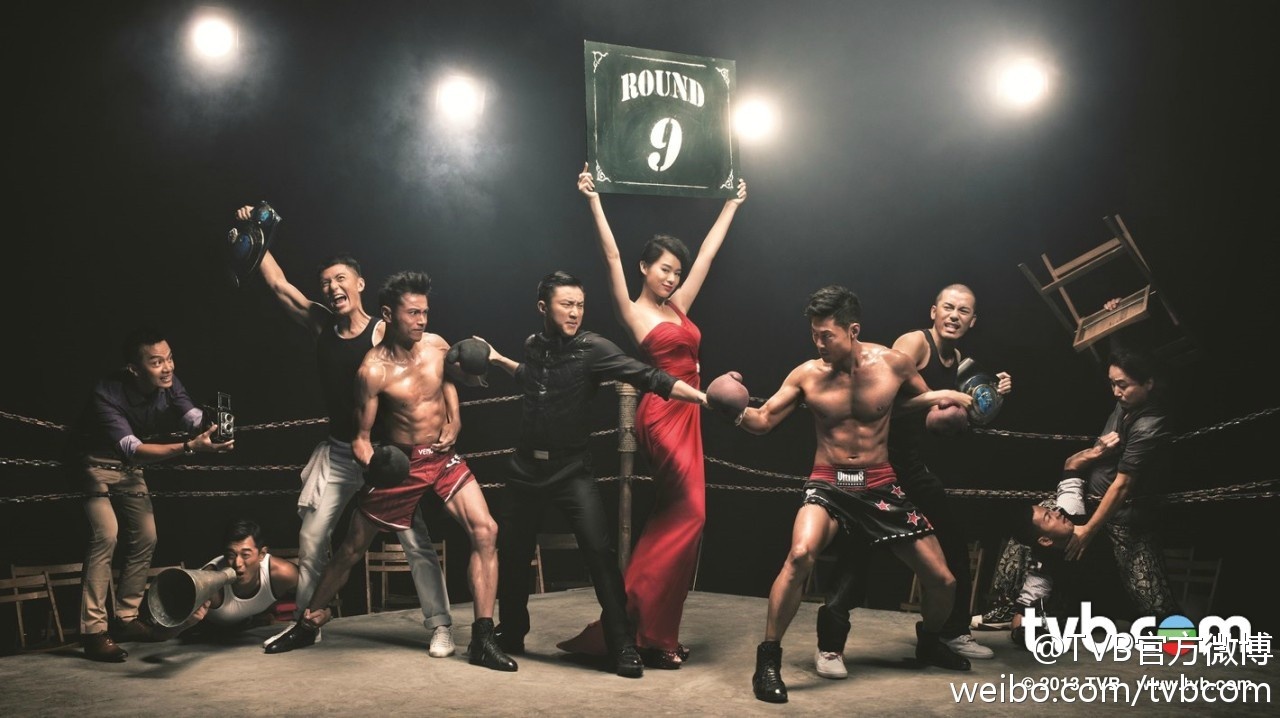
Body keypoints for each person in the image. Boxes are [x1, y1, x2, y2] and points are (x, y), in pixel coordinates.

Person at [728, 286, 974, 703]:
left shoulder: (893, 364)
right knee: (800, 555)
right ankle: (768, 660)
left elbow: (920, 407)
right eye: (814, 334)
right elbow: (764, 420)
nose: (819, 343)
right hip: (829, 482)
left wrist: (950, 399)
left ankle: (930, 641)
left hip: (880, 484)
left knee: (943, 581)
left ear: (853, 330)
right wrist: (725, 407)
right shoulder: (807, 374)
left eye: (827, 335)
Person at [264, 271, 516, 671]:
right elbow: (361, 438)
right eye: (413, 313)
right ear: (388, 314)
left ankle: (482, 638)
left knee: (486, 530)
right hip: (403, 463)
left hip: (443, 457)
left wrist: (456, 420)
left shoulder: (436, 345)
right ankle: (308, 622)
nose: (422, 320)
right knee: (351, 547)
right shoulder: (373, 371)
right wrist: (374, 465)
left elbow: (450, 382)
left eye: (425, 312)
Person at [474, 270, 713, 679]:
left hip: (571, 470)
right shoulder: (533, 346)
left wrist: (702, 398)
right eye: (566, 304)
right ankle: (512, 632)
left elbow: (649, 377)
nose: (575, 312)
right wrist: (496, 359)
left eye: (580, 305)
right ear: (543, 307)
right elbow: (532, 379)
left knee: (600, 555)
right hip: (525, 468)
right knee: (513, 554)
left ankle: (622, 644)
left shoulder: (594, 349)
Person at [556, 165, 747, 668]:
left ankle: (651, 632)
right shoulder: (633, 311)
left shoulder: (679, 306)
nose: (672, 278)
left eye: (676, 273)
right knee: (690, 514)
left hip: (693, 412)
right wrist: (593, 200)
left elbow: (708, 256)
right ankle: (641, 627)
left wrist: (731, 205)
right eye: (664, 269)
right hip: (663, 412)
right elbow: (610, 254)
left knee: (678, 517)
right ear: (644, 267)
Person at [244, 213, 454, 658]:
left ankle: (440, 626)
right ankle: (307, 624)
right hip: (341, 453)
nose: (332, 287)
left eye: (340, 279)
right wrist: (256, 237)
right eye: (325, 282)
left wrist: (452, 420)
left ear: (360, 284)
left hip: (388, 457)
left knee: (415, 541)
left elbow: (435, 366)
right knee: (312, 539)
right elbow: (279, 285)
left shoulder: (384, 330)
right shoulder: (321, 325)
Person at [815, 284, 1013, 676]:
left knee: (952, 542)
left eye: (963, 311)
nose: (954, 316)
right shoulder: (914, 344)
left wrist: (994, 394)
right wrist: (937, 401)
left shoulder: (959, 362)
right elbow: (881, 399)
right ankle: (831, 646)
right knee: (858, 549)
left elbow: (959, 415)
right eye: (948, 308)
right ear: (933, 312)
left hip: (910, 466)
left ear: (973, 320)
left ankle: (947, 634)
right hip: (875, 465)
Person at [69, 327, 234, 662]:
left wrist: (212, 428)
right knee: (106, 535)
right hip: (95, 464)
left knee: (147, 535)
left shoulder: (168, 383)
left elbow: (190, 415)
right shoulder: (106, 393)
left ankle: (126, 619)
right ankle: (93, 632)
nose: (167, 367)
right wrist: (191, 447)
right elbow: (133, 449)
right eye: (157, 362)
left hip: (130, 470)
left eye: (169, 358)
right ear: (134, 368)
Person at [1001, 343, 1181, 638]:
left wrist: (1088, 530)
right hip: (1087, 507)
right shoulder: (1125, 403)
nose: (1115, 391)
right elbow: (1071, 466)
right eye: (1112, 383)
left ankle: (1178, 635)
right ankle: (1009, 611)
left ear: (1148, 383)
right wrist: (1096, 452)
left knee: (1154, 600)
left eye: (1122, 385)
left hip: (1121, 518)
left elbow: (1122, 485)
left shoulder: (1149, 425)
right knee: (1027, 527)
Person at [170, 518, 300, 635]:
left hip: (246, 624)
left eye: (245, 555)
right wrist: (186, 623)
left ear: (262, 554)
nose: (237, 563)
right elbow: (160, 633)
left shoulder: (282, 573)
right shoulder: (210, 584)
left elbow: (309, 595)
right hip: (207, 631)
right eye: (231, 555)